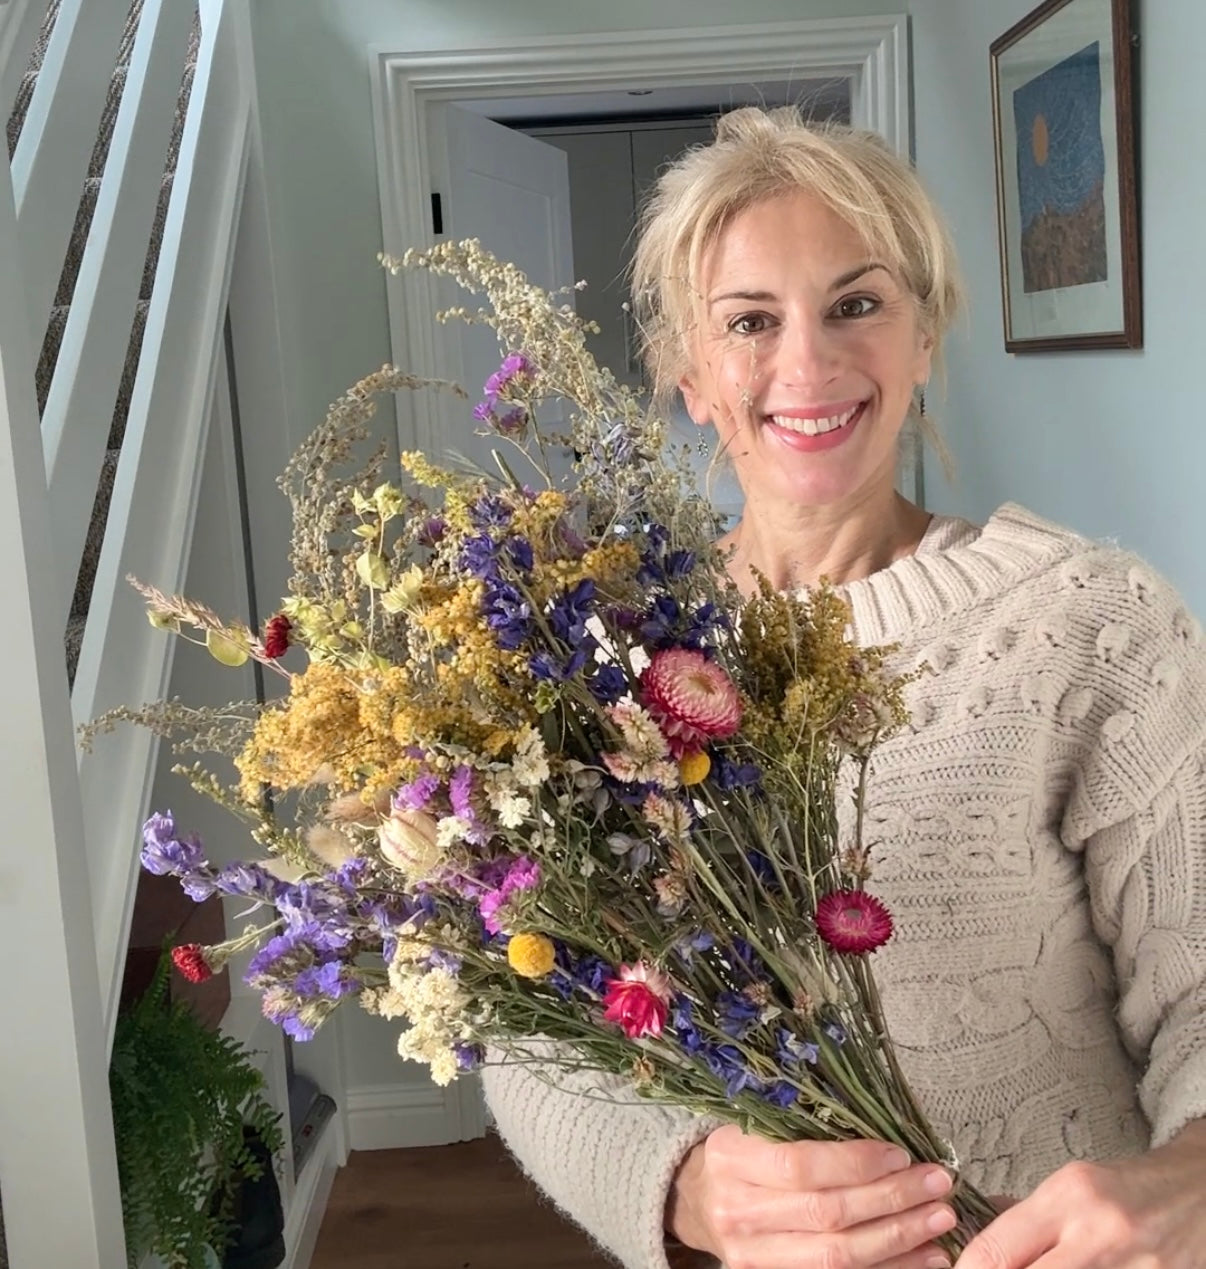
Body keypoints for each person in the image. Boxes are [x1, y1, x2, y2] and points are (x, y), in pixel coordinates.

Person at [481, 106, 1206, 1269]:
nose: (808, 365)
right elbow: (532, 1030)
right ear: (689, 373)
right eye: (750, 321)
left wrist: (1186, 1182)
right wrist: (684, 1187)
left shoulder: (1091, 626)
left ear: (926, 336)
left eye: (856, 305)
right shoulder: (599, 658)